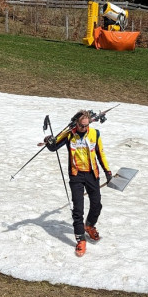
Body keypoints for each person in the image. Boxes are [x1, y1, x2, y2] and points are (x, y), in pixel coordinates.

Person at [41, 109, 112, 257]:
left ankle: (90, 225)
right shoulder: (69, 134)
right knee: (78, 209)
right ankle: (81, 239)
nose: (84, 128)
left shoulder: (95, 134)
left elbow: (101, 153)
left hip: (92, 174)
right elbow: (53, 146)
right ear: (76, 123)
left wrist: (108, 171)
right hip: (76, 176)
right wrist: (49, 139)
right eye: (81, 126)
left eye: (86, 126)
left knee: (97, 204)